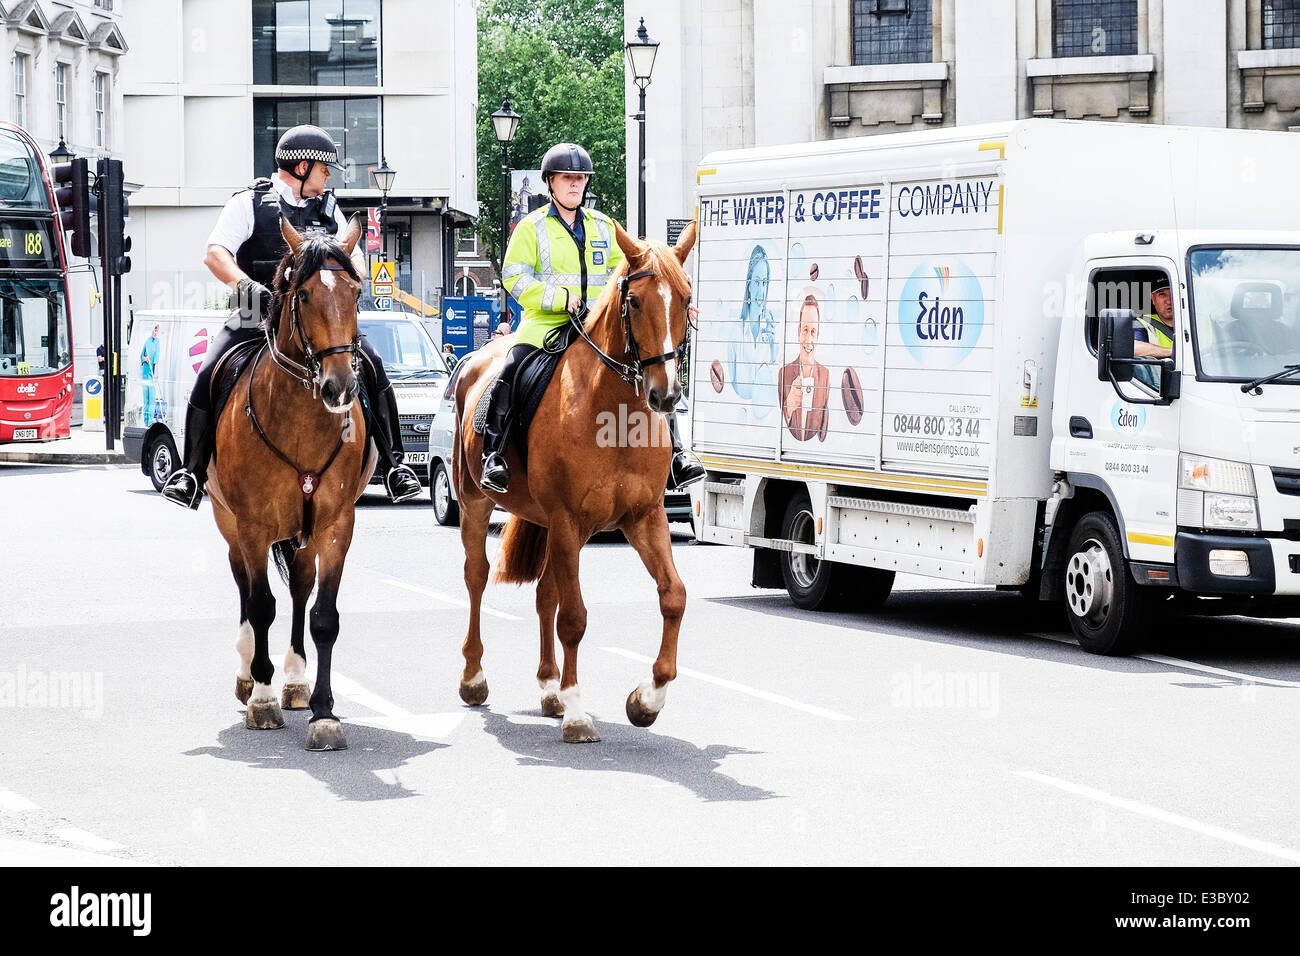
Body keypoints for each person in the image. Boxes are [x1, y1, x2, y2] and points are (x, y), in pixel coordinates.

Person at [160, 125, 422, 509]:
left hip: (321, 321)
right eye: (323, 169)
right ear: (301, 167)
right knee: (210, 371)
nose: (328, 178)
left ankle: (397, 465)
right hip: (256, 315)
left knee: (374, 365)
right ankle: (192, 472)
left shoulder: (329, 207)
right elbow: (215, 253)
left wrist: (348, 282)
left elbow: (355, 257)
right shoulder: (248, 203)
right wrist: (248, 286)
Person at [484, 142, 705, 494]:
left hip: (601, 325)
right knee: (512, 369)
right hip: (546, 325)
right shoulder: (530, 228)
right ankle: (493, 454)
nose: (575, 184)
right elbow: (514, 278)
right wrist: (559, 298)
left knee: (653, 369)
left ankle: (677, 453)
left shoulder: (606, 227)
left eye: (581, 178)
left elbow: (639, 271)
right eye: (567, 177)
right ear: (550, 182)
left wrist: (669, 298)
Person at [779, 290, 830, 442]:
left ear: (818, 336)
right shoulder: (784, 374)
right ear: (798, 332)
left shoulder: (825, 376)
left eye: (813, 332)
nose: (809, 339)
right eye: (805, 330)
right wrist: (788, 407)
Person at [1134, 275, 1175, 359]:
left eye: (1173, 293)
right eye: (1162, 294)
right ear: (1153, 298)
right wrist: (1173, 352)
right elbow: (1134, 347)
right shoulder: (1143, 322)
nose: (1169, 300)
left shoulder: (1201, 321)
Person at [140, 325, 159, 426]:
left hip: (152, 374)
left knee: (152, 398)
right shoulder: (147, 342)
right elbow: (141, 355)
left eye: (157, 331)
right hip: (145, 373)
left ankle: (150, 421)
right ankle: (145, 420)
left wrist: (155, 374)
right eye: (154, 331)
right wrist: (144, 359)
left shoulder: (157, 342)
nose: (155, 333)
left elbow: (156, 359)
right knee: (146, 398)